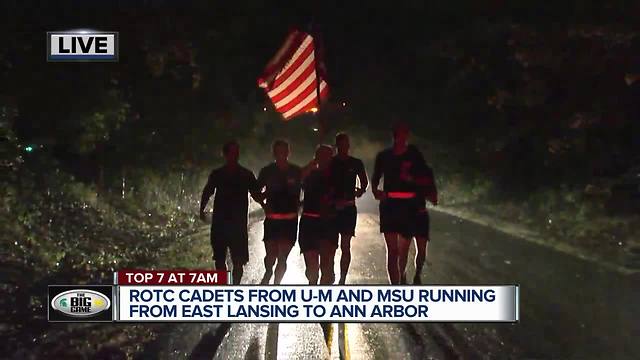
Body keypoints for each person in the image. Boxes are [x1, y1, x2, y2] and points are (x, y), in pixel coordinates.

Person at [199, 140, 263, 285]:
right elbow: (207, 191)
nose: (235, 155)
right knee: (220, 259)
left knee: (238, 261)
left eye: (237, 152)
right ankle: (224, 286)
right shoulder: (218, 174)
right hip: (220, 223)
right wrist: (201, 209)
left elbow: (256, 194)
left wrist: (267, 204)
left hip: (238, 225)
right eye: (232, 152)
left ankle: (235, 287)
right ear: (225, 154)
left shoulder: (246, 174)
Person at [371, 122, 428, 285]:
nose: (403, 138)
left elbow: (423, 176)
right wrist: (375, 191)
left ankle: (402, 279)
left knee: (403, 248)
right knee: (392, 250)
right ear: (395, 136)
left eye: (405, 134)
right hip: (389, 204)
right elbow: (375, 177)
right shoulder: (384, 156)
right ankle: (394, 286)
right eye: (400, 134)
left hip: (409, 206)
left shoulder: (414, 155)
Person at [256, 140, 303, 285]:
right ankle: (268, 271)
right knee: (271, 255)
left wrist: (301, 205)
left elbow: (310, 188)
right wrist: (264, 205)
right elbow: (256, 191)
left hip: (290, 220)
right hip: (272, 219)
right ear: (274, 153)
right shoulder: (267, 171)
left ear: (289, 152)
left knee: (283, 257)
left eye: (284, 151)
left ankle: (276, 284)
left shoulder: (296, 171)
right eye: (278, 151)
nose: (281, 154)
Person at [330, 133, 368, 284]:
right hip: (332, 208)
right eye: (342, 144)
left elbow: (364, 182)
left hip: (348, 208)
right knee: (331, 245)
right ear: (337, 145)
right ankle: (330, 273)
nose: (345, 147)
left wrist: (360, 191)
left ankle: (342, 279)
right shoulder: (331, 163)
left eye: (347, 144)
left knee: (345, 245)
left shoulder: (356, 163)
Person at [299, 144, 338, 285]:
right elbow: (298, 178)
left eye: (328, 156)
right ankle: (313, 287)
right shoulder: (310, 174)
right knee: (312, 267)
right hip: (309, 221)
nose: (325, 159)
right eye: (321, 156)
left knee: (326, 265)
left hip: (328, 222)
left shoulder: (336, 176)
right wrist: (311, 165)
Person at [412, 162, 438, 284]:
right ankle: (410, 274)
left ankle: (416, 274)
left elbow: (434, 198)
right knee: (412, 249)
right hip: (409, 215)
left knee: (420, 249)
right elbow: (434, 198)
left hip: (419, 214)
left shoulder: (426, 173)